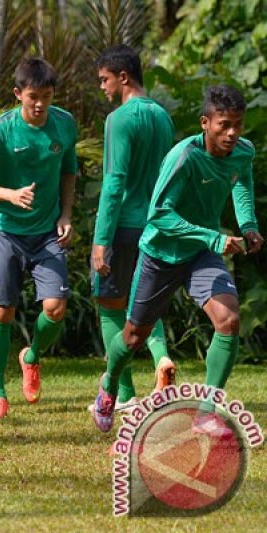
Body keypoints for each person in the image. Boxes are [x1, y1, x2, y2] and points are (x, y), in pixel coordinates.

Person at [92, 85, 263, 433]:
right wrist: (213, 237)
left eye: (238, 125)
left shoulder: (243, 151)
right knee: (133, 338)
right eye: (224, 124)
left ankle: (206, 414)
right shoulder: (183, 156)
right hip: (161, 254)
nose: (232, 133)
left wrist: (248, 225)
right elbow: (159, 216)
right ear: (205, 123)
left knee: (228, 321)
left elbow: (241, 182)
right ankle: (109, 384)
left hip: (201, 253)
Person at [0, 58, 77, 420]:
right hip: (8, 231)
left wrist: (66, 214)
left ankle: (31, 358)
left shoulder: (64, 124)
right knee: (2, 311)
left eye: (46, 96)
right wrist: (10, 195)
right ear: (17, 94)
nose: (40, 104)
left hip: (47, 231)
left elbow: (68, 171)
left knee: (55, 309)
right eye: (33, 96)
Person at [90, 45, 176, 414]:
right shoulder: (162, 117)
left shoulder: (119, 119)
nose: (103, 88)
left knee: (110, 307)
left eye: (104, 80)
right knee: (144, 305)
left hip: (123, 225)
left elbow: (114, 182)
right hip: (155, 225)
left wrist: (100, 240)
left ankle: (123, 393)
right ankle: (161, 358)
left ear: (123, 77)